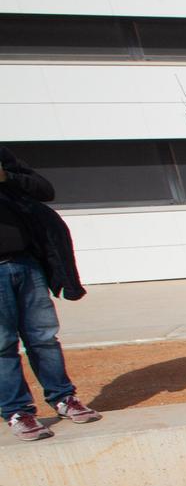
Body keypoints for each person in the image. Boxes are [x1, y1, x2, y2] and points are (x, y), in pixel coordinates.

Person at [1, 146, 99, 440]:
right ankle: (18, 412)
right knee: (3, 345)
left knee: (44, 338)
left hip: (25, 263)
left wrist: (6, 176)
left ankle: (63, 397)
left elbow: (44, 190)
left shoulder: (4, 158)